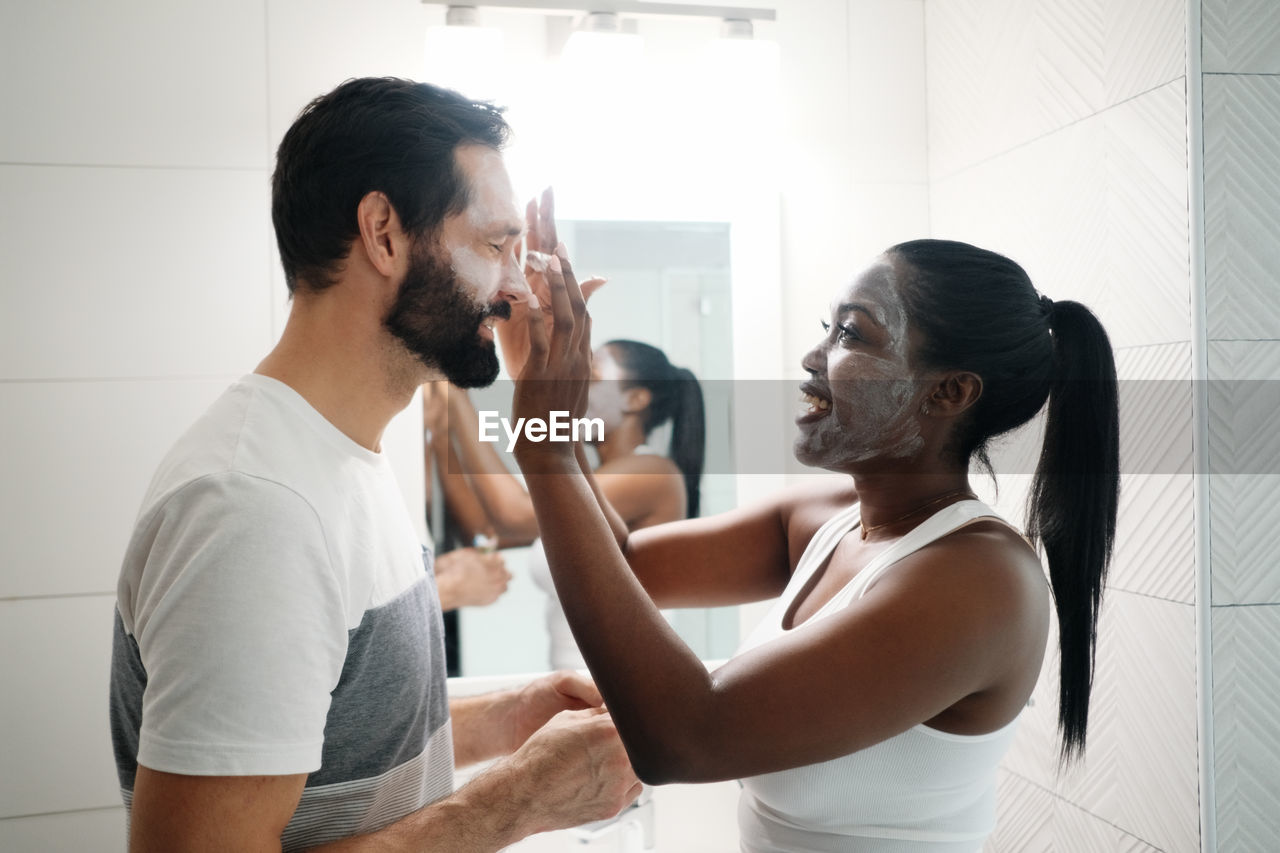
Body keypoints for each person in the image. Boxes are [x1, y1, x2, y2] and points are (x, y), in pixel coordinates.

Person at [108, 77, 640, 852]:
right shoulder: (255, 507)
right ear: (384, 233)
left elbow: (306, 731)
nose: (519, 290)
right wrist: (518, 800)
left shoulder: (339, 457)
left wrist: (503, 718)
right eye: (496, 246)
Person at [508, 238, 1119, 852]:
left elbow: (683, 739)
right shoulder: (826, 518)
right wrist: (538, 388)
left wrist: (543, 444)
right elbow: (623, 565)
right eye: (829, 328)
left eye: (851, 335)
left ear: (948, 392)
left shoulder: (979, 581)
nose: (811, 356)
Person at [428, 192, 707, 669]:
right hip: (580, 697)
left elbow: (514, 514)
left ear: (636, 400)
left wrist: (457, 398)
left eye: (592, 375)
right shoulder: (584, 474)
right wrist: (443, 426)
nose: (576, 379)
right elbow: (487, 524)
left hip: (622, 703)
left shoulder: (653, 473)